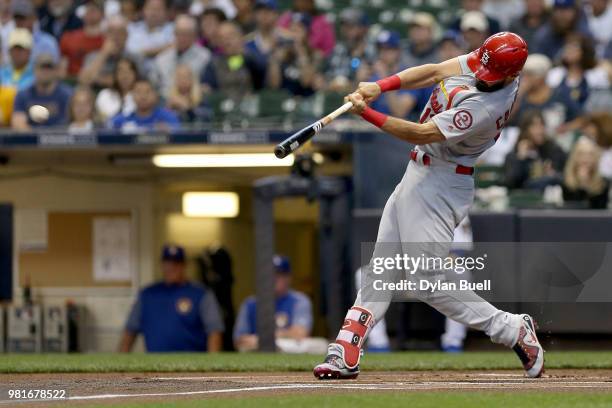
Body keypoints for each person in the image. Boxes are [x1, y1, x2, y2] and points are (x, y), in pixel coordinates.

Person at [313, 32, 545, 380]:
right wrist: (381, 85)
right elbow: (435, 71)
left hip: (441, 182)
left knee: (426, 280)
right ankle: (348, 345)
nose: (482, 76)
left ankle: (511, 329)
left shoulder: (487, 106)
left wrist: (369, 115)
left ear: (511, 76)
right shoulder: (489, 60)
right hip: (419, 173)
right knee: (382, 266)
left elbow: (422, 133)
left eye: (491, 74)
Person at [119, 245, 224, 352]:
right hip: (154, 363)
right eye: (167, 263)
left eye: (176, 263)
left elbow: (214, 331)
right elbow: (130, 331)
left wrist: (212, 363)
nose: (171, 267)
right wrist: (120, 362)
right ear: (162, 265)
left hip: (193, 363)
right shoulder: (147, 294)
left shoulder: (201, 294)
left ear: (184, 266)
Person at [233, 255, 314, 352]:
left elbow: (300, 333)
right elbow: (239, 340)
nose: (275, 279)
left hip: (289, 355)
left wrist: (261, 339)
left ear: (289, 277)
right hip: (256, 356)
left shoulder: (299, 301)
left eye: (280, 274)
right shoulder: (250, 303)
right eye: (270, 275)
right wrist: (284, 335)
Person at [512, 53, 582, 134]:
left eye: (530, 75)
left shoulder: (559, 94)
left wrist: (566, 128)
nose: (525, 79)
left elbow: (580, 118)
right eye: (524, 75)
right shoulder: (520, 97)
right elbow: (506, 121)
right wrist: (519, 94)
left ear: (542, 76)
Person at [150, 14, 210, 99]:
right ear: (174, 34)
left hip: (195, 100)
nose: (182, 38)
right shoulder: (162, 58)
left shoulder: (205, 57)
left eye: (186, 34)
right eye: (179, 33)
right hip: (165, 101)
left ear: (194, 35)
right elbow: (153, 85)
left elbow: (206, 86)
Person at [200, 21, 265, 99]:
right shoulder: (213, 63)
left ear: (240, 36)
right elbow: (207, 85)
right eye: (222, 38)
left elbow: (263, 74)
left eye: (230, 36)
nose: (227, 41)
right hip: (224, 106)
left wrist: (243, 54)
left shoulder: (253, 57)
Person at [504, 110, 567, 190]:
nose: (540, 131)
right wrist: (520, 158)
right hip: (525, 199)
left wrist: (553, 174)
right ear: (525, 129)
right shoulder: (514, 156)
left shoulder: (553, 150)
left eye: (542, 125)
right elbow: (511, 184)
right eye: (534, 126)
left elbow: (567, 176)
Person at [546, 34, 608, 109]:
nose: (568, 51)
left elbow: (603, 101)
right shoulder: (555, 74)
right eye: (567, 47)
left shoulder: (596, 76)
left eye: (574, 47)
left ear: (584, 51)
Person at [368, 31, 420, 119]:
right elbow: (360, 112)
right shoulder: (374, 76)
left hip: (400, 129)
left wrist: (385, 79)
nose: (383, 54)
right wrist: (359, 79)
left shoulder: (408, 75)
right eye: (380, 49)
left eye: (388, 49)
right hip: (374, 128)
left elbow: (400, 113)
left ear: (398, 51)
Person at [79, 15, 142, 89]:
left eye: (120, 33)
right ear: (104, 36)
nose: (115, 37)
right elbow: (84, 81)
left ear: (126, 36)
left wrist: (99, 79)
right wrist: (103, 54)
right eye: (111, 32)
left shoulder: (136, 58)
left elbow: (139, 83)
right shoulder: (92, 57)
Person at [12, 53, 72, 129]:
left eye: (49, 68)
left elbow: (73, 123)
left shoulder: (67, 95)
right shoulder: (23, 95)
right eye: (42, 67)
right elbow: (18, 123)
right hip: (30, 139)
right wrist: (36, 138)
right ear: (34, 70)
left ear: (56, 71)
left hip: (61, 139)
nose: (45, 72)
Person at [267, 12, 320, 97]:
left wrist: (301, 52)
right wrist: (275, 57)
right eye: (291, 27)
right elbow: (274, 85)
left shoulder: (315, 55)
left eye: (299, 27)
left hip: (305, 102)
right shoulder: (282, 52)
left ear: (307, 33)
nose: (294, 31)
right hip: (282, 101)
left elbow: (306, 82)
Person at [324, 7, 375, 93]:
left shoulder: (372, 51)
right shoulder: (339, 49)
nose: (346, 30)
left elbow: (371, 86)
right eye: (344, 26)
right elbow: (329, 78)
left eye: (351, 26)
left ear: (364, 28)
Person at [111, 77, 180, 131]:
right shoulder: (122, 120)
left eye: (147, 92)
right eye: (138, 92)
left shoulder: (169, 118)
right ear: (132, 95)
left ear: (155, 95)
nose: (143, 96)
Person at [59, 0, 105, 79]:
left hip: (96, 82)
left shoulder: (107, 41)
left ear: (102, 14)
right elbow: (62, 69)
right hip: (71, 81)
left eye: (93, 10)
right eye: (87, 9)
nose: (89, 12)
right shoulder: (68, 37)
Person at [562, 137, 609, 209]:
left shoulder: (604, 184)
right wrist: (581, 184)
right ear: (575, 157)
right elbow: (571, 209)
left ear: (595, 157)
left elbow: (600, 210)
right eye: (581, 154)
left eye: (590, 154)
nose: (586, 158)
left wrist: (587, 185)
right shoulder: (564, 183)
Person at [125, 0, 174, 65]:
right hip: (134, 70)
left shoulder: (173, 29)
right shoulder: (132, 28)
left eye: (158, 9)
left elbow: (174, 46)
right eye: (150, 8)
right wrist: (161, 49)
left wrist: (145, 53)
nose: (154, 13)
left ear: (166, 11)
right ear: (143, 10)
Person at [95, 57, 138, 122]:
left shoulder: (141, 96)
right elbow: (100, 121)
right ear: (115, 75)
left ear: (135, 74)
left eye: (128, 71)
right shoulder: (104, 95)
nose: (125, 75)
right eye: (121, 71)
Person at [245, 0, 280, 65]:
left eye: (268, 10)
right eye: (259, 10)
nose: (264, 14)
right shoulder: (247, 42)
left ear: (276, 14)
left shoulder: (287, 38)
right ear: (255, 15)